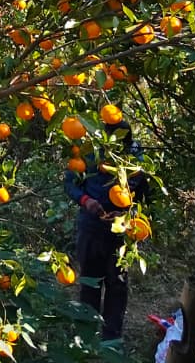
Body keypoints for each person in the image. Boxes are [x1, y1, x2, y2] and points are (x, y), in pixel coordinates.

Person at [64, 120, 149, 341]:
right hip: (91, 226)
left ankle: (111, 338)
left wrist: (127, 216)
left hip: (121, 232)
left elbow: (144, 196)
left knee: (117, 284)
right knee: (90, 282)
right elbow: (70, 183)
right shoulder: (89, 153)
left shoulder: (135, 159)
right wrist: (86, 200)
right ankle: (87, 334)